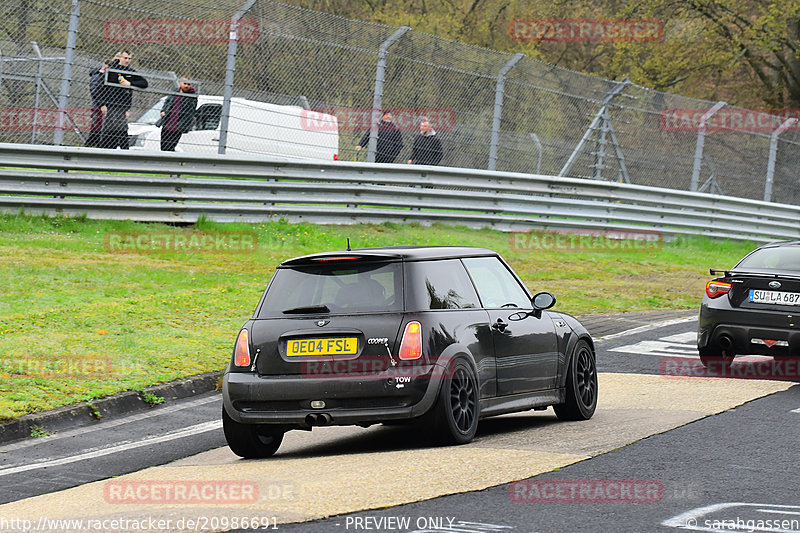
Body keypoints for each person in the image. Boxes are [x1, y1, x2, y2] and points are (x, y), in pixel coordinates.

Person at [98, 49, 148, 149]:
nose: (127, 60)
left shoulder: (130, 72)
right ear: (120, 57)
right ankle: (106, 150)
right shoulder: (111, 69)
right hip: (110, 105)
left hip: (123, 106)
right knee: (109, 130)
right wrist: (102, 104)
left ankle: (124, 151)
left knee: (122, 130)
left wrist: (130, 83)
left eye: (129, 58)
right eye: (125, 58)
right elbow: (101, 87)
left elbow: (144, 83)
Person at [86, 53, 120, 147]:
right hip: (99, 106)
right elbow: (95, 90)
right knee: (97, 130)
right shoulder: (99, 74)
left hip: (111, 107)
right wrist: (102, 105)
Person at [159, 77, 198, 151]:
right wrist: (163, 111)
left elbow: (190, 113)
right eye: (185, 83)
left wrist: (182, 126)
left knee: (170, 147)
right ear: (180, 83)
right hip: (167, 124)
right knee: (163, 147)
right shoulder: (175, 91)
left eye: (188, 84)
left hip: (178, 127)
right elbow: (167, 102)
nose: (186, 86)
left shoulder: (192, 95)